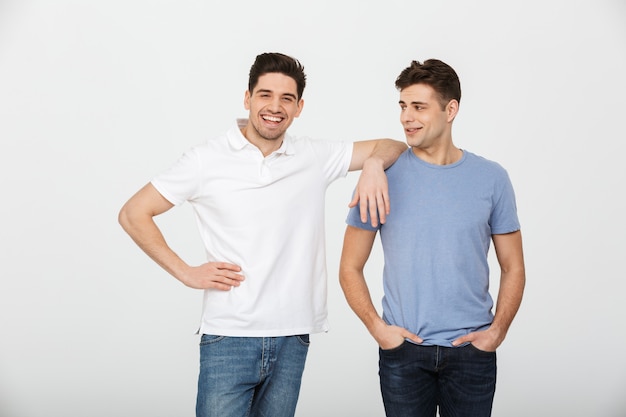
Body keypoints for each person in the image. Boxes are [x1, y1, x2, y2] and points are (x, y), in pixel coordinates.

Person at [118, 52, 407, 417]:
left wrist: (373, 166)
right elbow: (133, 213)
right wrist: (186, 272)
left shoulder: (314, 156)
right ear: (247, 98)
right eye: (265, 95)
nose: (275, 107)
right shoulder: (206, 159)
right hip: (229, 335)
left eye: (287, 98)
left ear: (299, 107)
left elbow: (393, 146)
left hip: (294, 334)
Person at [339, 59, 526, 417]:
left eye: (419, 107)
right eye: (403, 106)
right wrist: (380, 330)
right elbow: (349, 267)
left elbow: (513, 266)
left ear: (450, 109)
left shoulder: (491, 178)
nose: (407, 117)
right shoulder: (381, 177)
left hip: (472, 353)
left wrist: (496, 333)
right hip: (404, 352)